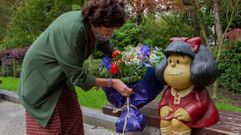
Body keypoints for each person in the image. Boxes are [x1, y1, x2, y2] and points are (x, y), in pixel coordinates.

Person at [18, 0, 133, 134]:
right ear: (95, 22)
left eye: (113, 29)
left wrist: (117, 56)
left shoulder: (92, 27)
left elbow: (103, 42)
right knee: (50, 128)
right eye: (108, 30)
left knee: (72, 118)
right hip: (40, 80)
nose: (111, 34)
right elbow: (79, 78)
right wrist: (111, 82)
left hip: (60, 77)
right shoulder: (75, 29)